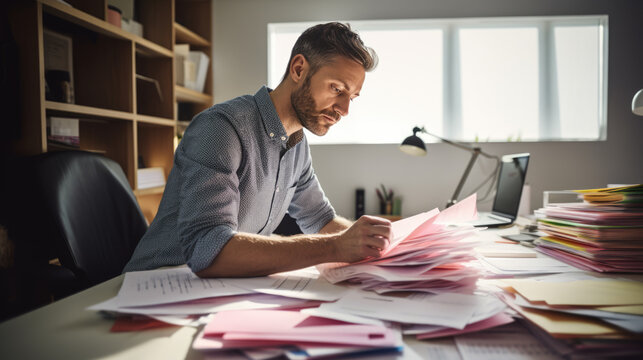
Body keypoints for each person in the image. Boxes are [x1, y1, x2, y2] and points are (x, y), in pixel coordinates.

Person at [124, 22, 391, 277]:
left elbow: (320, 220)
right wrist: (335, 247)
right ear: (299, 69)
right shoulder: (221, 129)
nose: (344, 110)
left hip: (217, 292)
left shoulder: (296, 143)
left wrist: (385, 250)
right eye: (337, 89)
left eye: (351, 98)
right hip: (156, 288)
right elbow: (208, 250)